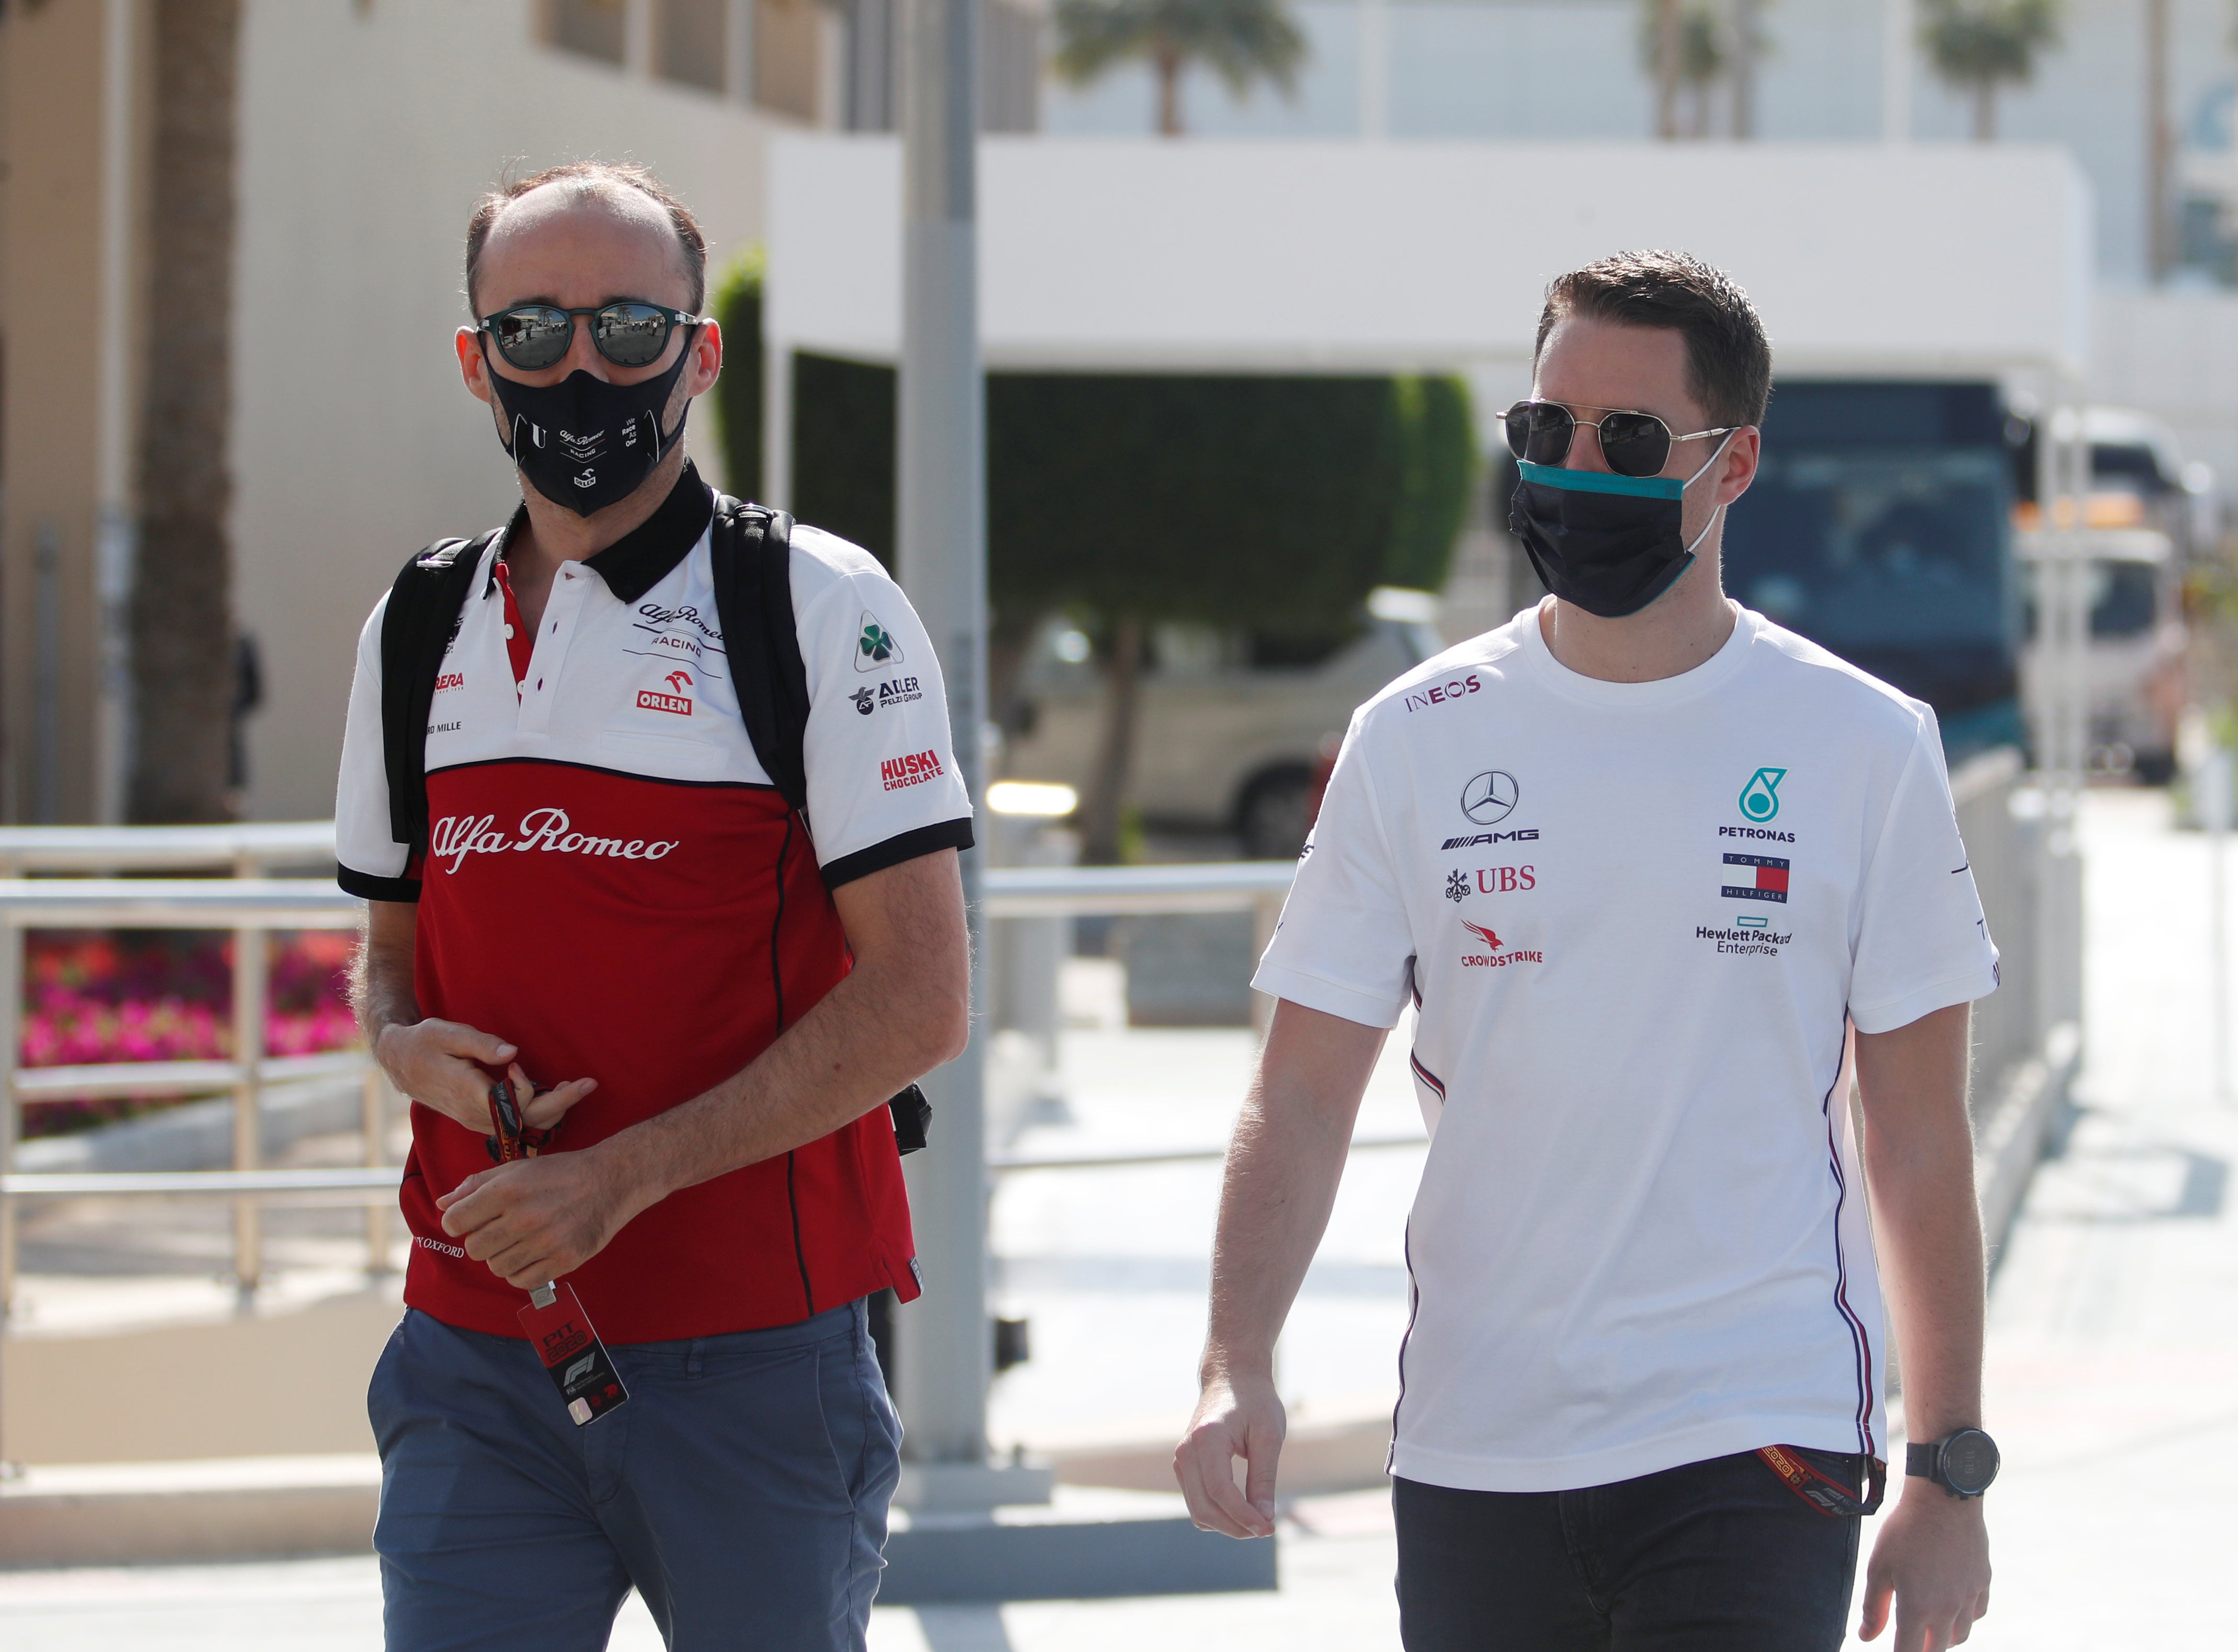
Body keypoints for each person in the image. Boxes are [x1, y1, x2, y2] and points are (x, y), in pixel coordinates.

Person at [1174, 250, 2000, 1652]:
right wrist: (1229, 1361)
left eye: (1625, 440)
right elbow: (1301, 1094)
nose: (1572, 467)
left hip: (1756, 1428)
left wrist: (1945, 1469)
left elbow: (1915, 1141)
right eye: (1543, 432)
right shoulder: (1413, 738)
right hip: (1475, 1440)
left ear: (1731, 465)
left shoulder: (1864, 745)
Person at [336, 161, 973, 1651]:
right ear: (472, 362)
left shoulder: (820, 605)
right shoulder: (413, 624)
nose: (578, 367)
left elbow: (918, 999)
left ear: (699, 352)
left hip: (754, 1359)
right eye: (532, 330)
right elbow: (383, 959)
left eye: (627, 329)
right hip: (474, 1357)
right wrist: (398, 1044)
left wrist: (621, 1175)